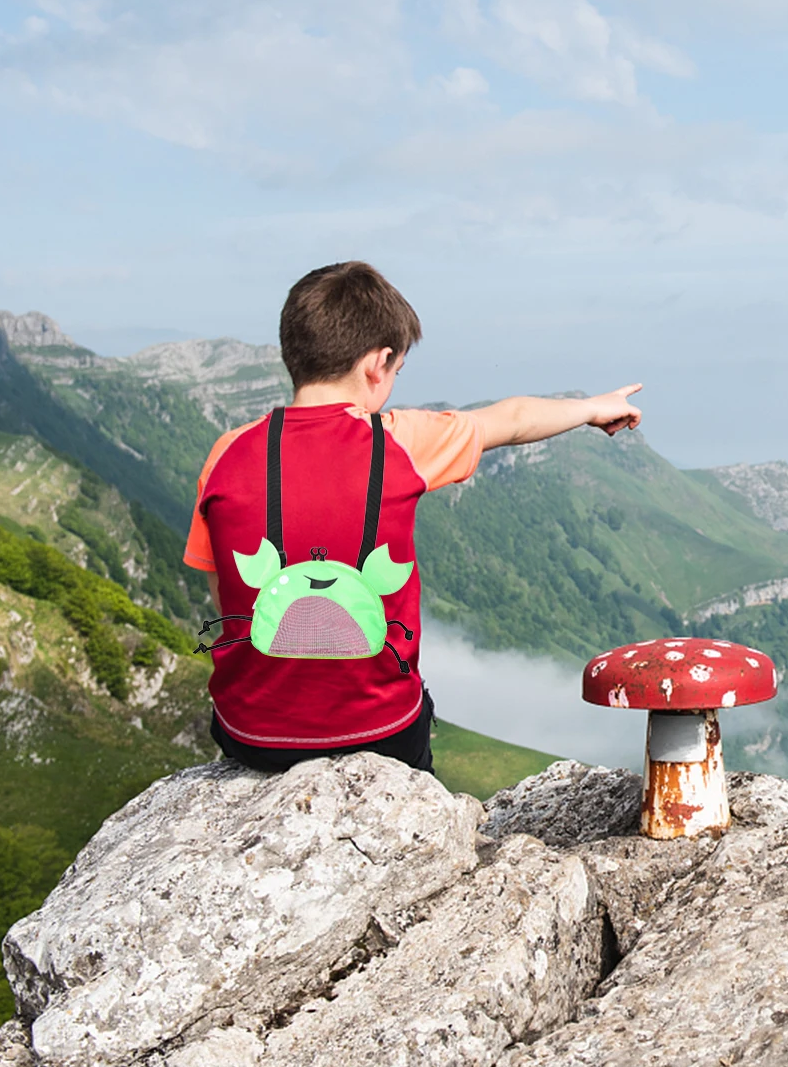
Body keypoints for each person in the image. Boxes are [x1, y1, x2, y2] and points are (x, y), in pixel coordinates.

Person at [183, 261, 641, 774]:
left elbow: (224, 592)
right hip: (380, 733)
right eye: (397, 370)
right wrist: (593, 408)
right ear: (377, 364)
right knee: (413, 713)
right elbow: (512, 420)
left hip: (252, 735)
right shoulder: (397, 441)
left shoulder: (227, 453)